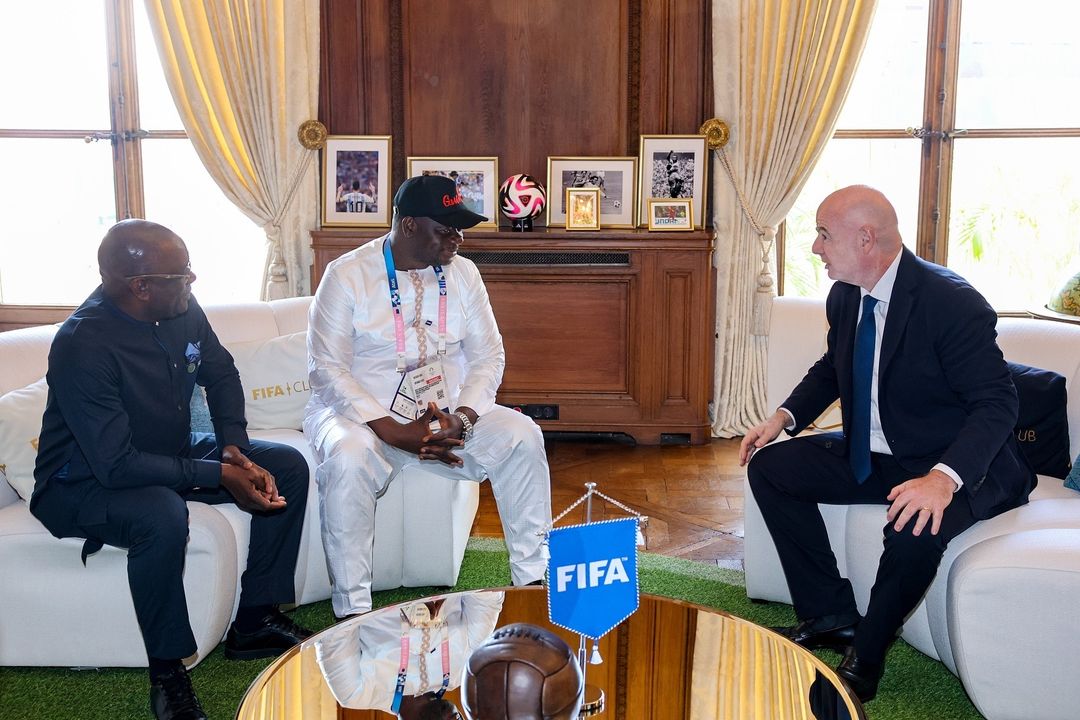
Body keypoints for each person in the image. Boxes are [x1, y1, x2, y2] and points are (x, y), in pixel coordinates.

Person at [739, 185, 1035, 702]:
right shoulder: (845, 293)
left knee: (914, 527)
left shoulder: (950, 302)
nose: (815, 247)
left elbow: (996, 402)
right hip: (878, 453)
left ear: (865, 239)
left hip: (956, 464)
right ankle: (829, 614)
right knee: (771, 468)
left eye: (824, 235)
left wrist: (942, 480)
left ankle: (866, 660)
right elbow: (832, 366)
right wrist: (784, 417)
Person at [30, 220, 312, 720]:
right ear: (141, 287)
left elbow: (220, 373)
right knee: (161, 513)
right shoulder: (82, 344)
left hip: (166, 451)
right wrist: (217, 476)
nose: (192, 281)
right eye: (182, 275)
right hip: (82, 482)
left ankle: (255, 620)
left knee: (286, 465)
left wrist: (233, 449)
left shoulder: (180, 306)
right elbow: (115, 465)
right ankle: (167, 673)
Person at [305, 174, 552, 619]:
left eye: (460, 229)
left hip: (444, 417)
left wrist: (465, 417)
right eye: (446, 229)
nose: (458, 239)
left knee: (522, 434)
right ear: (409, 225)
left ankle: (533, 580)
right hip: (361, 418)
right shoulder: (346, 275)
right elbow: (326, 369)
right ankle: (352, 612)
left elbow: (488, 356)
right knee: (348, 458)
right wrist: (393, 431)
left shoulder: (464, 274)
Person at [312, 590, 504, 718]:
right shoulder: (467, 667)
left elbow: (334, 625)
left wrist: (404, 599)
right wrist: (444, 592)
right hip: (442, 558)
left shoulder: (355, 692)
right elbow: (489, 597)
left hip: (372, 564)